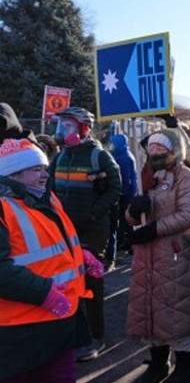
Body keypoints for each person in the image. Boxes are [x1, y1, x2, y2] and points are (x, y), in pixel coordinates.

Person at [0, 138, 103, 382]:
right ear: (13, 174)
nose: (45, 175)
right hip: (20, 332)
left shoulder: (45, 198)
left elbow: (54, 242)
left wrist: (82, 254)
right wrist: (44, 293)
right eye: (37, 169)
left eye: (44, 168)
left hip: (58, 323)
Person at [124, 129, 190, 383]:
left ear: (174, 150)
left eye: (161, 147)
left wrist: (154, 229)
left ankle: (185, 366)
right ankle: (158, 364)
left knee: (176, 309)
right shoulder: (144, 176)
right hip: (147, 256)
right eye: (152, 147)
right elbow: (130, 215)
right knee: (152, 309)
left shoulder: (185, 176)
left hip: (174, 254)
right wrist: (134, 212)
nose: (154, 152)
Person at [47, 106, 121, 362]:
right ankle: (73, 334)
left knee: (90, 284)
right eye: (61, 126)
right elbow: (48, 190)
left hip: (92, 231)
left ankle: (94, 337)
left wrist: (92, 213)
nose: (61, 131)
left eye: (67, 126)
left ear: (83, 129)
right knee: (66, 281)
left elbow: (115, 189)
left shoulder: (99, 157)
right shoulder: (59, 158)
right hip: (64, 231)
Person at [107, 133, 137, 266]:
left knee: (123, 221)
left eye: (113, 143)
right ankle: (130, 246)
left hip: (125, 194)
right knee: (125, 220)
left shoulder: (124, 158)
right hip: (125, 193)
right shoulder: (121, 154)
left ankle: (126, 246)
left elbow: (125, 178)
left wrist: (121, 193)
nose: (111, 145)